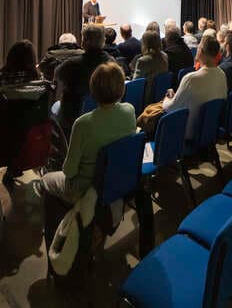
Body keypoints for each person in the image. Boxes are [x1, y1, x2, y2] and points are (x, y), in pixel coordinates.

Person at [38, 62, 135, 206]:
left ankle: (60, 226)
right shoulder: (129, 110)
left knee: (44, 180)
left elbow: (69, 172)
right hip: (114, 180)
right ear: (122, 87)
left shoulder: (83, 123)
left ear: (93, 89)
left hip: (83, 189)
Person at [162, 37, 227, 143]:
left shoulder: (191, 78)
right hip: (209, 131)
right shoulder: (222, 75)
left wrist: (167, 98)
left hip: (188, 133)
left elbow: (170, 108)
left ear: (201, 51)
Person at [55, 24, 116, 132]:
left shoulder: (72, 63)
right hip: (103, 116)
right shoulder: (111, 62)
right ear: (103, 41)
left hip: (73, 120)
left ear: (84, 42)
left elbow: (57, 74)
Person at [132, 30, 169, 105]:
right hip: (161, 96)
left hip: (146, 98)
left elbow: (135, 82)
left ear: (145, 43)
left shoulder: (143, 60)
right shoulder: (164, 56)